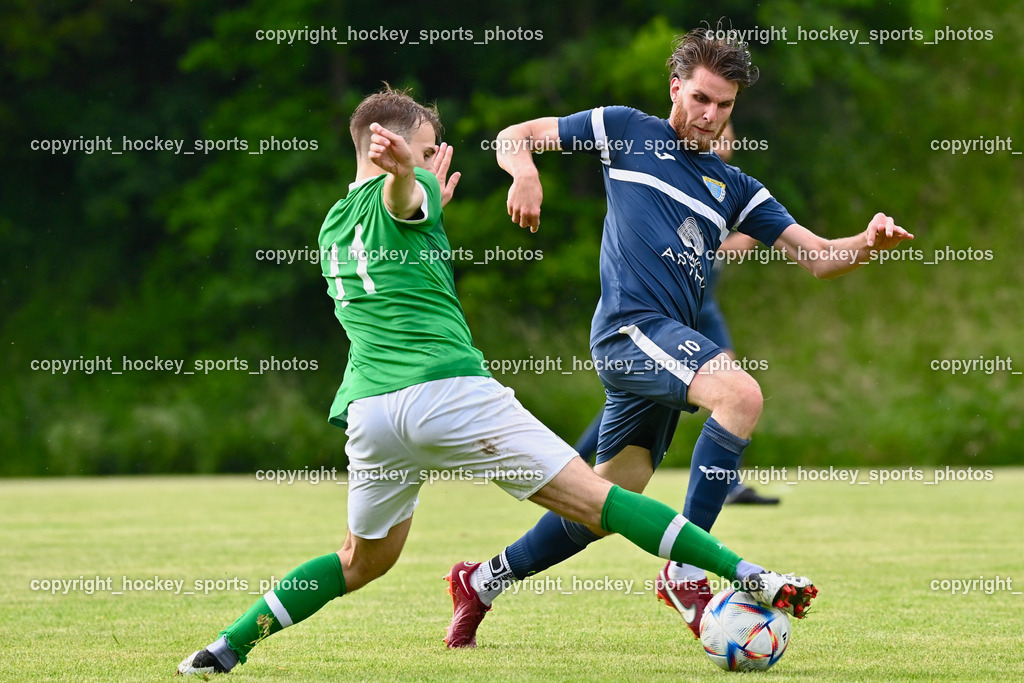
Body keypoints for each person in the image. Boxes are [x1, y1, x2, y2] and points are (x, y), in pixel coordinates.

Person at [175, 86, 816, 675]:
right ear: (392, 146)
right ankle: (745, 572)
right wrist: (410, 179)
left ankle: (225, 647)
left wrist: (418, 190)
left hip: (371, 414)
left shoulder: (333, 225)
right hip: (448, 395)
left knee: (359, 562)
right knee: (600, 502)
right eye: (429, 150)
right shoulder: (404, 194)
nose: (435, 163)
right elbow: (404, 198)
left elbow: (401, 224)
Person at [444, 26, 912, 647]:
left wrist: (867, 244)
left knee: (606, 504)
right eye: (700, 98)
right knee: (740, 396)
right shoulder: (626, 129)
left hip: (664, 344)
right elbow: (514, 135)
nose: (709, 115)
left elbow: (821, 257)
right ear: (677, 88)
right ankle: (688, 569)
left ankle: (481, 581)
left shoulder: (738, 189)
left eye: (723, 105)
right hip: (630, 330)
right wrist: (523, 173)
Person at [572, 122, 777, 507]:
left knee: (736, 389)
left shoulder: (729, 186)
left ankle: (728, 483)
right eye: (724, 135)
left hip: (704, 309)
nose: (725, 139)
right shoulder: (670, 168)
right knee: (672, 390)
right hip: (662, 313)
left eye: (731, 131)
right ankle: (577, 461)